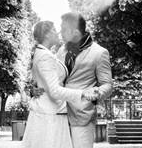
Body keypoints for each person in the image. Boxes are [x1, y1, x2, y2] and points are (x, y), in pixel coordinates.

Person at [21, 20, 99, 148]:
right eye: (53, 30)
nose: (57, 32)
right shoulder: (46, 56)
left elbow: (42, 82)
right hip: (50, 116)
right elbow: (55, 91)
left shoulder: (46, 54)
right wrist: (83, 93)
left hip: (51, 113)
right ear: (46, 35)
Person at [56, 13, 114, 148]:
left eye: (64, 29)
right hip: (58, 114)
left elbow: (108, 85)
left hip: (81, 115)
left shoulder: (99, 53)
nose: (61, 32)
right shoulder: (61, 50)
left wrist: (96, 94)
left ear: (75, 32)